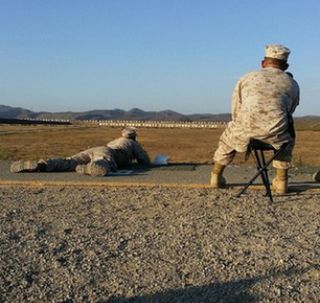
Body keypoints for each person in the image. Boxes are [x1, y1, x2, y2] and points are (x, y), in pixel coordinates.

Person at [211, 44, 300, 194]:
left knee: (228, 139)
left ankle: (216, 176)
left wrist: (242, 124)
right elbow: (290, 110)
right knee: (288, 138)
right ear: (286, 66)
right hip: (275, 135)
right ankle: (282, 181)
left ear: (263, 63)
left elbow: (236, 107)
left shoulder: (247, 77)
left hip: (244, 132)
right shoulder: (292, 83)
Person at [10, 127, 150, 176]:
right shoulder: (132, 143)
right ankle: (92, 168)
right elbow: (144, 160)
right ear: (134, 136)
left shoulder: (115, 140)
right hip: (108, 152)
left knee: (69, 161)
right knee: (105, 162)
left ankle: (42, 164)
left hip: (95, 148)